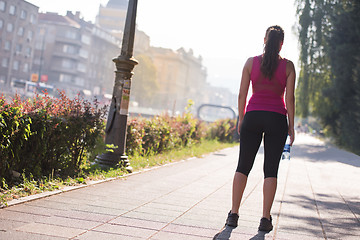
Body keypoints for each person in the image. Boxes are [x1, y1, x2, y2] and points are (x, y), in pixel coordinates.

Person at [224, 25, 296, 232]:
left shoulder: (250, 62)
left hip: (253, 117)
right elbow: (289, 99)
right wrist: (291, 126)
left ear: (264, 39)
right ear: (281, 43)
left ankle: (233, 214)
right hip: (276, 119)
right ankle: (265, 219)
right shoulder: (289, 66)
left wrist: (241, 119)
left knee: (243, 166)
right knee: (271, 170)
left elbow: (241, 95)